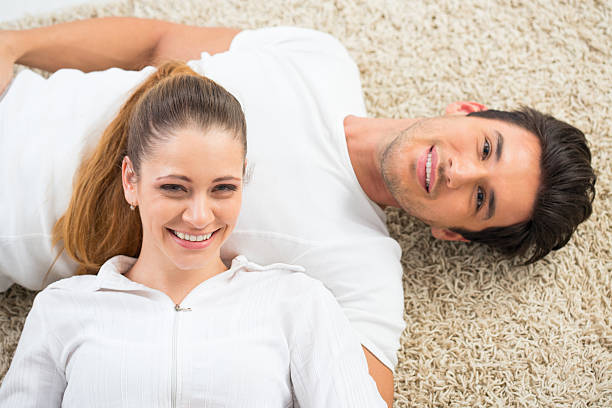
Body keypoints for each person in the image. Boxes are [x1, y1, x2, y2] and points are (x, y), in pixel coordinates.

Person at [0, 18, 596, 405]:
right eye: (486, 147)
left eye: (481, 199)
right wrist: (16, 44)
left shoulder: (363, 276)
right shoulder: (318, 57)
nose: (460, 170)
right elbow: (157, 42)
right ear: (470, 110)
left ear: (454, 233)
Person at [0, 61, 387, 407]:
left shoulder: (295, 302)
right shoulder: (64, 308)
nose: (200, 217)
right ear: (131, 181)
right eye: (174, 188)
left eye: (223, 189)